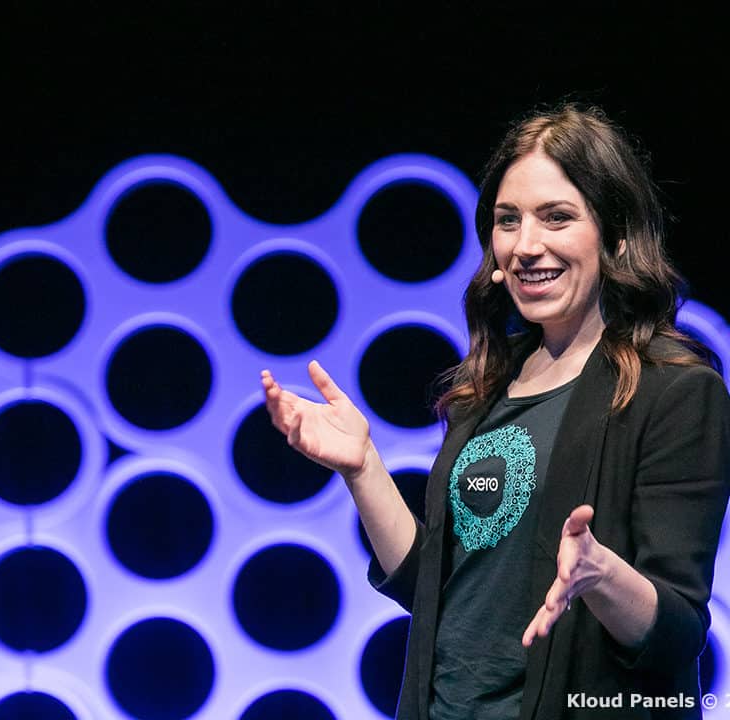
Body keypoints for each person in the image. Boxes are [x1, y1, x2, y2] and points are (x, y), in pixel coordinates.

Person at [261, 104, 730, 719]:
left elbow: (675, 636)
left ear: (615, 234)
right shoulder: (488, 385)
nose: (526, 246)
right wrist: (362, 467)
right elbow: (436, 589)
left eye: (557, 218)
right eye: (508, 221)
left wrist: (599, 573)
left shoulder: (672, 392)